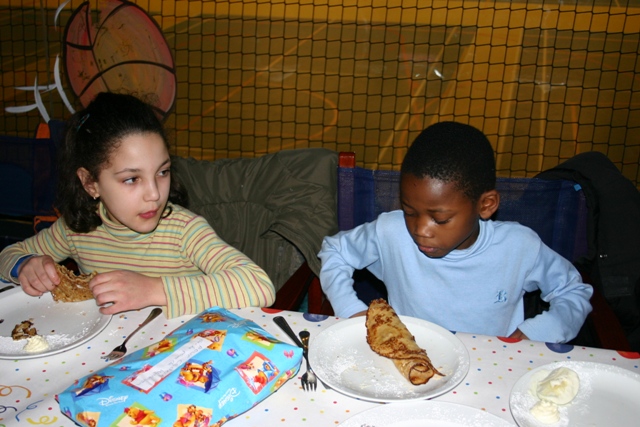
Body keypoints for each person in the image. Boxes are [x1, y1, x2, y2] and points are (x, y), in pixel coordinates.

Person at [0, 92, 275, 318]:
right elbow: (8, 254)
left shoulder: (184, 231)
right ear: (89, 183)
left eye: (162, 172)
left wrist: (153, 290)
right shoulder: (75, 229)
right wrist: (25, 265)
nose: (154, 194)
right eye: (132, 179)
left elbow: (259, 285)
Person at [318, 121, 593, 343]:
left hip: (492, 372)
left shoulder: (519, 247)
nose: (421, 230)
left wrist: (542, 331)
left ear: (486, 205)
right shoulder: (391, 232)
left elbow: (572, 290)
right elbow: (334, 250)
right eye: (410, 211)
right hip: (412, 363)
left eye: (441, 219)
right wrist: (349, 309)